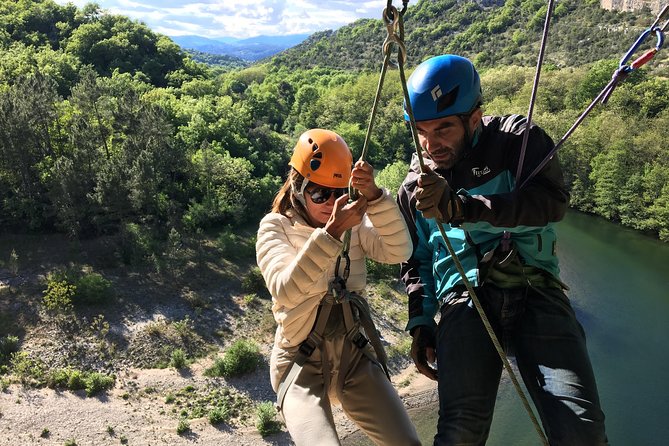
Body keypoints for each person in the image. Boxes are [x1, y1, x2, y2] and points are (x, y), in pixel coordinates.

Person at [396, 55, 608, 445]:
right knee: (460, 430)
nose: (431, 144)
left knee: (582, 427)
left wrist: (464, 207)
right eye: (421, 131)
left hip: (534, 285)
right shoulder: (414, 187)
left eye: (443, 128)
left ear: (474, 119)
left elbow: (549, 202)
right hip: (465, 297)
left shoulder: (516, 143)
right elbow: (418, 259)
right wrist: (422, 323)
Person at [256, 128, 420, 446]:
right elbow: (284, 288)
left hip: (354, 356)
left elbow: (399, 250)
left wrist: (375, 198)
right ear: (298, 186)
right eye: (320, 194)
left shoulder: (353, 226)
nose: (330, 203)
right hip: (299, 364)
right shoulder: (275, 228)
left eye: (337, 192)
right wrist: (331, 234)